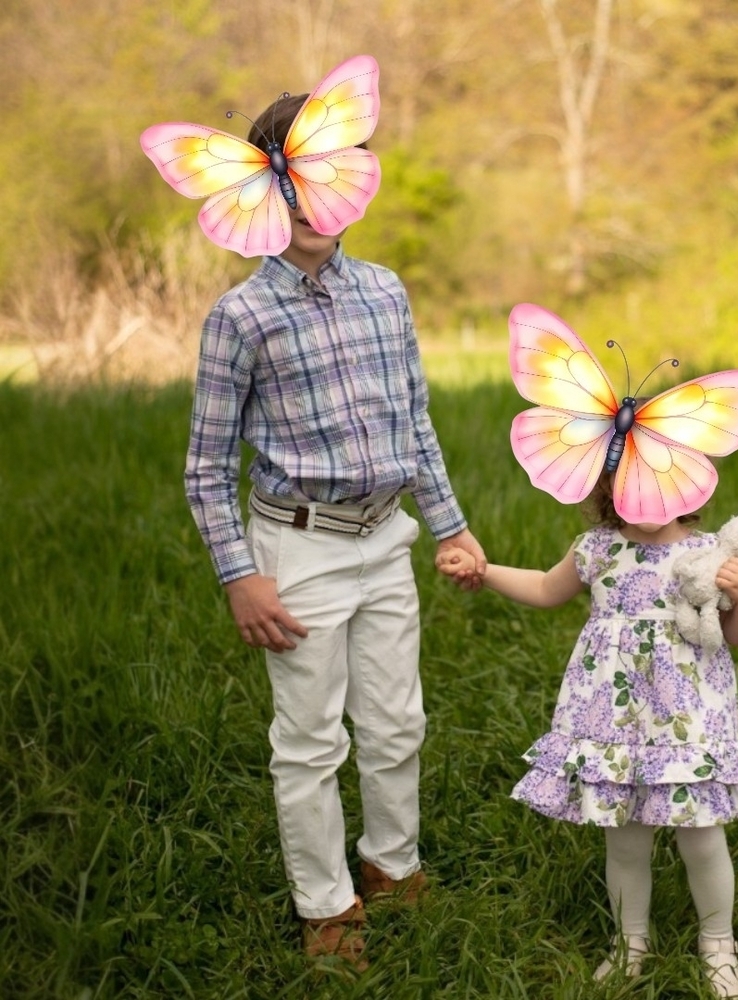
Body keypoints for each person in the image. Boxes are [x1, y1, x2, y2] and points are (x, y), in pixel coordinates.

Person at [184, 90, 486, 968]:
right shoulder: (241, 319)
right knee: (312, 737)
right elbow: (206, 467)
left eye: (326, 179)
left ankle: (392, 864)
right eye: (288, 185)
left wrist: (449, 527)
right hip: (299, 547)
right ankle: (326, 904)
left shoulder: (386, 294)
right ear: (257, 195)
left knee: (398, 721)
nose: (309, 206)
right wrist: (242, 574)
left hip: (384, 538)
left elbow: (416, 424)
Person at [436, 472, 738, 997]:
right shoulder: (596, 549)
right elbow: (547, 589)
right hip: (612, 723)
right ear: (608, 492)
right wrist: (485, 569)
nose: (647, 500)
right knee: (625, 843)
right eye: (632, 486)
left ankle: (718, 941)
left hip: (688, 722)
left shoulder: (708, 555)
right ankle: (629, 942)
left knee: (703, 839)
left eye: (661, 485)